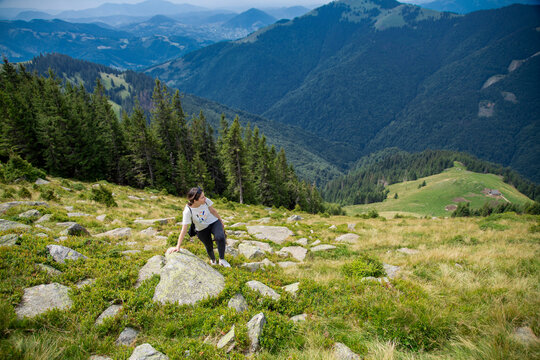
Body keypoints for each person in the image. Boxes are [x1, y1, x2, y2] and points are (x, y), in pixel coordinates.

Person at [168, 187, 230, 267]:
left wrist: (220, 220)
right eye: (202, 197)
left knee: (220, 237)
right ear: (195, 200)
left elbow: (213, 210)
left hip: (213, 222)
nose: (205, 198)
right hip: (201, 228)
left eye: (204, 196)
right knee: (208, 245)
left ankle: (222, 260)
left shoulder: (206, 201)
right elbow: (184, 228)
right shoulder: (188, 210)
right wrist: (178, 246)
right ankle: (213, 260)